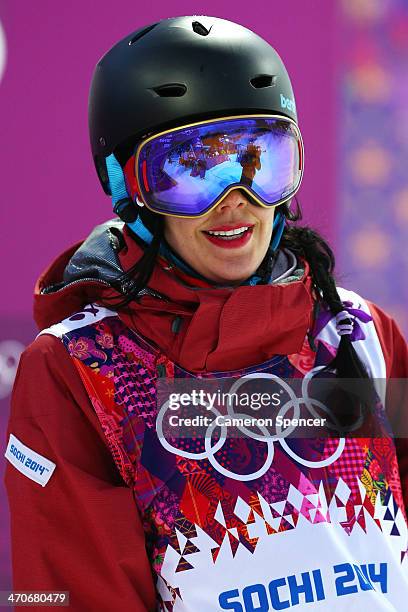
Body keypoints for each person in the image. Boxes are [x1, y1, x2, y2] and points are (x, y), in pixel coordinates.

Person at [4, 15, 408, 612]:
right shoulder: (80, 373)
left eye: (258, 161)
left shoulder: (364, 334)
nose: (234, 202)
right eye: (191, 169)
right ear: (126, 186)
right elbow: (66, 594)